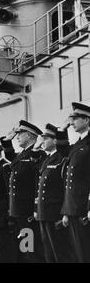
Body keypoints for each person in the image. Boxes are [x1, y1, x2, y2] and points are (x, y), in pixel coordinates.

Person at [0, 120, 45, 262]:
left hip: (28, 211)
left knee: (32, 249)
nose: (17, 137)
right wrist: (7, 140)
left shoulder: (37, 154)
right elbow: (10, 156)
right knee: (25, 249)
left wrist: (35, 208)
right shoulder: (21, 155)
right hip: (19, 211)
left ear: (30, 136)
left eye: (20, 134)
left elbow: (39, 184)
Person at [32, 124, 73, 262]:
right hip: (44, 212)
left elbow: (66, 187)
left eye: (45, 138)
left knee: (60, 252)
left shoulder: (62, 158)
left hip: (56, 212)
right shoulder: (46, 159)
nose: (42, 141)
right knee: (48, 252)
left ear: (55, 140)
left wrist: (65, 212)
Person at [60, 102, 90, 262]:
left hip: (84, 208)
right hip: (73, 207)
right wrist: (61, 130)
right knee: (78, 252)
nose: (71, 122)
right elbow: (62, 150)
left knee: (86, 251)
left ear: (87, 120)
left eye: (75, 118)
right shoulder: (78, 145)